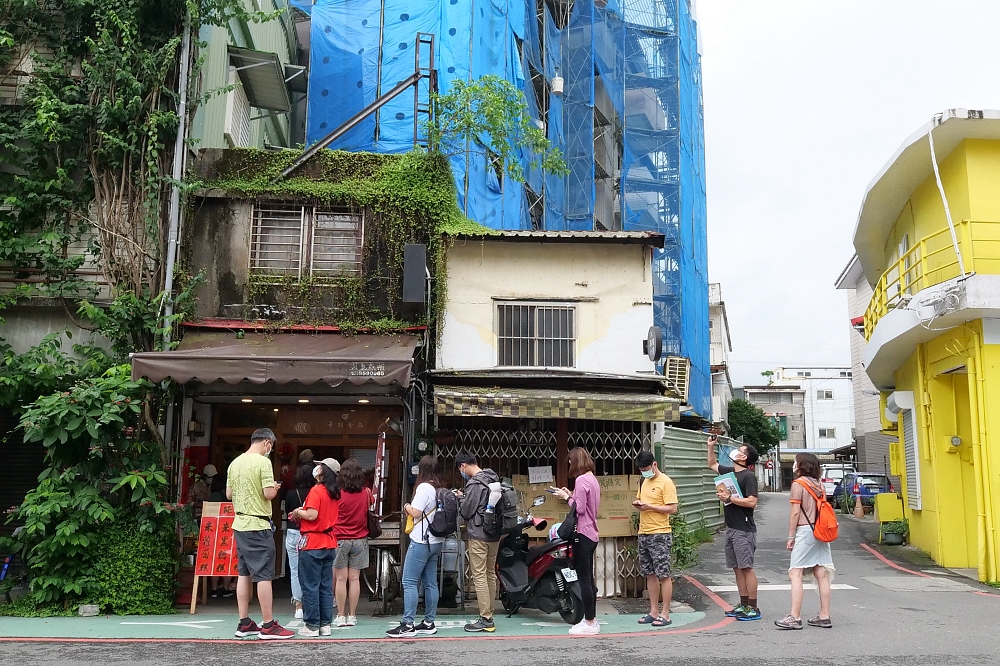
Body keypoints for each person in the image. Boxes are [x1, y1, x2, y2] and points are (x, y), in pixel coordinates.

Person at [226, 428, 294, 639]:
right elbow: (267, 493)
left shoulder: (235, 462)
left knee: (244, 573)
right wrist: (274, 487)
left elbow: (229, 494)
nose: (270, 450)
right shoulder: (263, 463)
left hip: (240, 523)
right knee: (264, 575)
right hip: (258, 524)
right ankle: (268, 625)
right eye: (271, 447)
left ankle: (244, 622)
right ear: (267, 443)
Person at [387, 456, 445, 638]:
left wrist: (406, 506)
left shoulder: (424, 487)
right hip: (436, 541)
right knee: (430, 583)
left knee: (409, 581)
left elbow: (417, 512)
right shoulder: (440, 488)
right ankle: (429, 622)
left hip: (421, 541)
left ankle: (408, 624)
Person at [775, 452, 835, 630]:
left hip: (804, 531)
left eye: (795, 462)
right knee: (821, 572)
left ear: (801, 465)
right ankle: (824, 616)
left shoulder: (798, 484)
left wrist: (790, 536)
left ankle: (795, 617)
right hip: (820, 531)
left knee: (795, 573)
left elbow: (795, 513)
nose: (793, 464)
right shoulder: (819, 484)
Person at [707, 434, 761, 621]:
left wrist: (729, 499)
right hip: (731, 527)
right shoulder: (729, 472)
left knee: (746, 567)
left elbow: (752, 502)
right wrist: (710, 446)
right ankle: (743, 604)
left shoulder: (748, 477)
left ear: (744, 457)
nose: (736, 451)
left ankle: (753, 607)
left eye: (741, 450)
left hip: (744, 529)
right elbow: (712, 464)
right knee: (737, 568)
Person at [289, 458, 341, 637]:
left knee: (310, 585)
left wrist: (297, 512)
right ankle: (325, 623)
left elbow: (311, 515)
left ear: (323, 471)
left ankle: (312, 625)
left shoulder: (317, 490)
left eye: (319, 466)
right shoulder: (334, 492)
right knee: (325, 585)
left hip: (313, 542)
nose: (316, 468)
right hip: (329, 542)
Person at [553, 447, 601, 636]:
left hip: (582, 533)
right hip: (592, 534)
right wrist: (571, 495)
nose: (570, 465)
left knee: (585, 581)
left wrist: (566, 497)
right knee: (588, 579)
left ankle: (589, 622)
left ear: (576, 461)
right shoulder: (592, 479)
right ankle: (591, 619)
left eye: (571, 461)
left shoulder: (581, 480)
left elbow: (579, 509)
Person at [455, 451, 501, 633]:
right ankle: (489, 613)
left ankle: (486, 619)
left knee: (480, 575)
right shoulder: (492, 478)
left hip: (479, 534)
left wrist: (461, 500)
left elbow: (466, 512)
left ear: (464, 465)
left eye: (460, 468)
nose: (461, 472)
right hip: (494, 534)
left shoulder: (474, 484)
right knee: (490, 573)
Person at [633, 451, 679, 628]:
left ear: (655, 464)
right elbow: (640, 498)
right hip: (644, 532)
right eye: (641, 470)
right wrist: (638, 503)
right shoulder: (643, 480)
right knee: (649, 574)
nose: (644, 472)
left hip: (660, 533)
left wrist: (650, 506)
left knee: (664, 574)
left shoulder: (666, 482)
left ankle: (665, 614)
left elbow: (673, 508)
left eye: (646, 468)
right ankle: (653, 611)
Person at [333, 458, 371, 627]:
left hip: (339, 538)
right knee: (355, 579)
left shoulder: (337, 494)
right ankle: (353, 615)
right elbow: (371, 506)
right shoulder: (367, 493)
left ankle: (340, 615)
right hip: (360, 539)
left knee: (341, 579)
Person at [284, 461, 315, 619]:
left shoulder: (290, 493)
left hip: (292, 532)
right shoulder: (315, 493)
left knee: (295, 570)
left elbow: (286, 511)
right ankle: (311, 603)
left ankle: (298, 606)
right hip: (309, 533)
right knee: (311, 570)